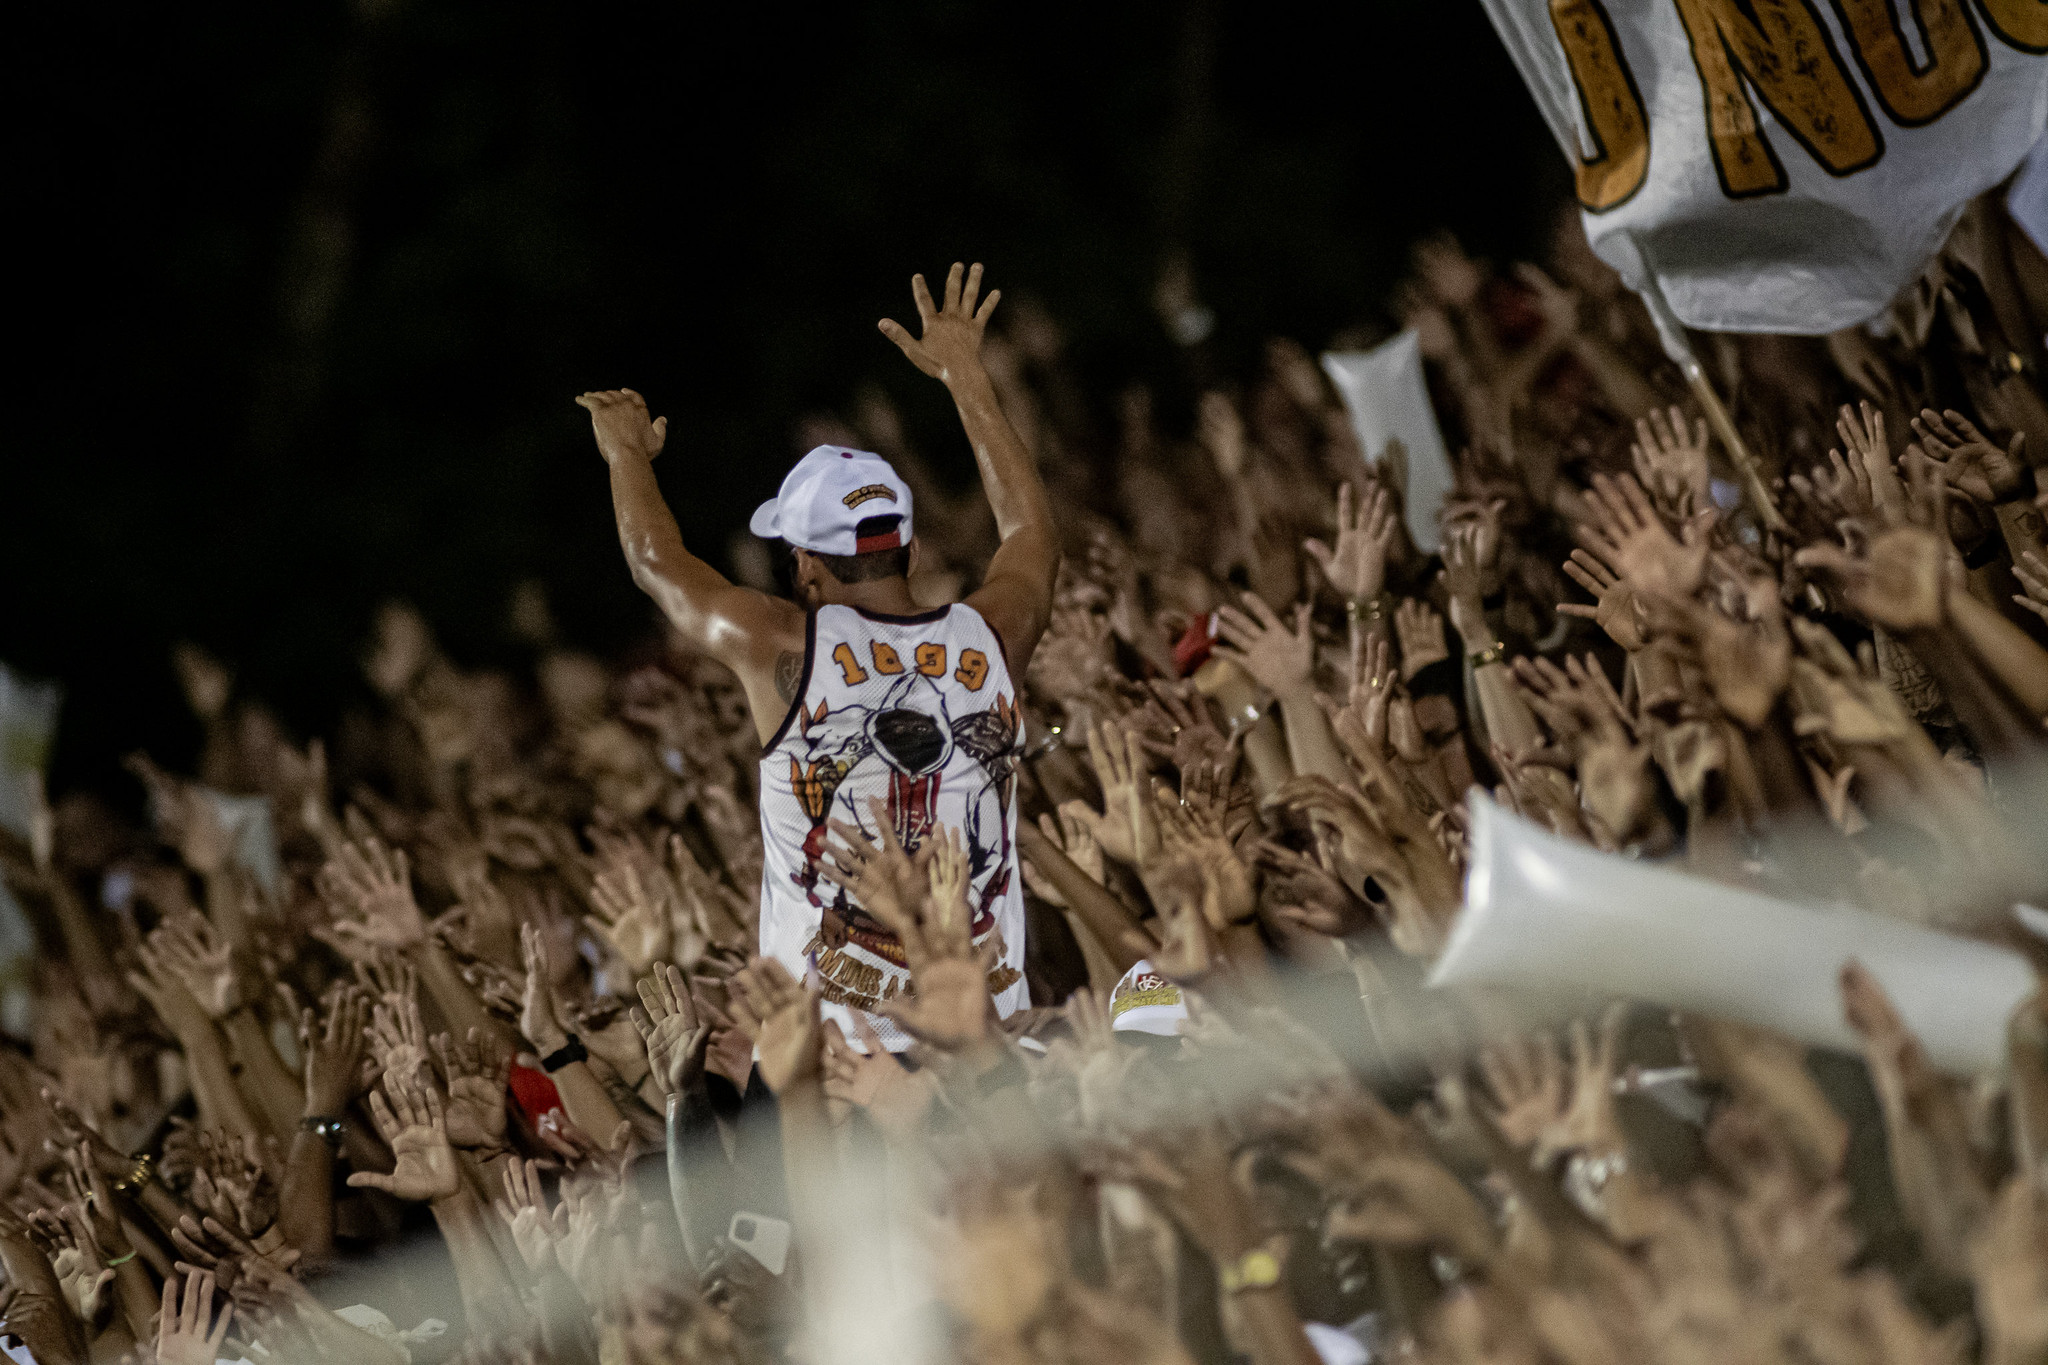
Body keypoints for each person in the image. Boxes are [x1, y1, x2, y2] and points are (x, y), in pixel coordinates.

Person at [578, 262, 1058, 1046]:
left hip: (847, 1072)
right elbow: (1031, 533)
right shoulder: (994, 633)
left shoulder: (782, 643)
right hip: (992, 1047)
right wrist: (967, 377)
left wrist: (626, 455)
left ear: (804, 563)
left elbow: (655, 564)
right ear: (903, 544)